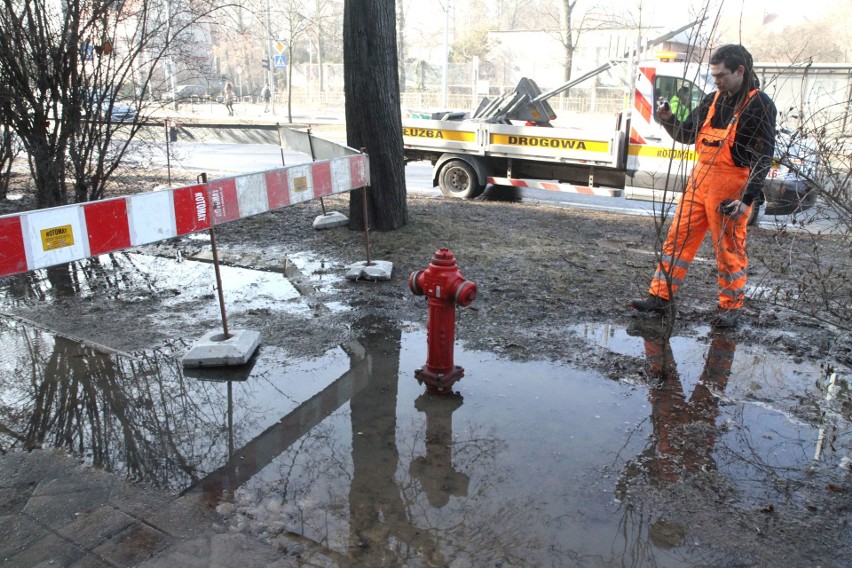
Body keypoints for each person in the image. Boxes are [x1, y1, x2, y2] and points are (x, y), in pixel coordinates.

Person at [630, 44, 777, 327]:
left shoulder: (760, 105)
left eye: (721, 75)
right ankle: (660, 298)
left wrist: (747, 199)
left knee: (728, 249)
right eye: (714, 75)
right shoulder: (713, 99)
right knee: (677, 240)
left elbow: (763, 156)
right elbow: (687, 134)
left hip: (731, 187)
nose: (716, 81)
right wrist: (668, 120)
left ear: (740, 71)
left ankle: (731, 308)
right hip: (699, 182)